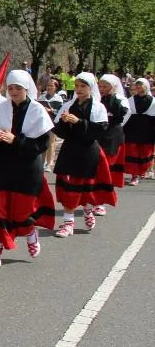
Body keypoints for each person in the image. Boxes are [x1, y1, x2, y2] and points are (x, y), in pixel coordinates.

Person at [0, 70, 56, 270]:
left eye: (18, 88)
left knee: (22, 212)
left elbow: (42, 145)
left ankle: (30, 231)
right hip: (2, 168)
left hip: (26, 169)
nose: (14, 92)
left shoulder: (38, 111)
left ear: (26, 89)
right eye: (11, 88)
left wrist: (16, 140)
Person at [51, 73, 117, 238]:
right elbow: (59, 131)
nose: (79, 89)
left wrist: (79, 122)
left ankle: (86, 210)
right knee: (69, 188)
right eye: (77, 86)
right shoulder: (68, 105)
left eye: (83, 86)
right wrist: (64, 123)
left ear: (90, 88)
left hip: (88, 151)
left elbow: (100, 131)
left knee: (84, 186)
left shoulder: (98, 107)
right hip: (70, 150)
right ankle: (69, 223)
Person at [96, 73, 131, 205]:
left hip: (112, 136)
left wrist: (111, 98)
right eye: (100, 86)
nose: (102, 89)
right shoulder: (96, 98)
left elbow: (121, 115)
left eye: (105, 86)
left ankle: (103, 199)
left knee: (107, 167)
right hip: (97, 134)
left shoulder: (121, 99)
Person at [123, 78, 155, 186]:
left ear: (146, 86)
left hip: (147, 131)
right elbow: (126, 116)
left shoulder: (153, 101)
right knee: (133, 153)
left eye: (140, 85)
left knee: (145, 154)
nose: (138, 87)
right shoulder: (130, 101)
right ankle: (134, 175)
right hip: (132, 130)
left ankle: (142, 171)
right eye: (137, 85)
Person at [38, 77, 66, 171]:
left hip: (53, 122)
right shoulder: (41, 97)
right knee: (43, 142)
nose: (49, 87)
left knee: (51, 142)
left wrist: (51, 110)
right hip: (43, 123)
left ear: (56, 87)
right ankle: (42, 161)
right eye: (48, 85)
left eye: (51, 85)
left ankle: (49, 163)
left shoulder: (59, 98)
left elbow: (61, 111)